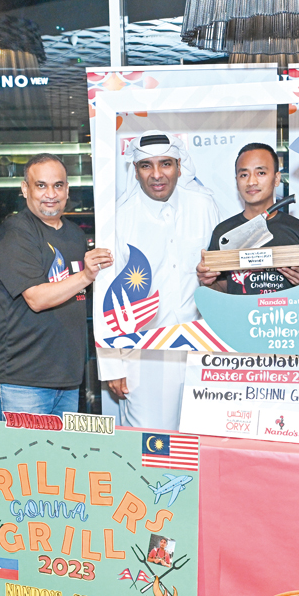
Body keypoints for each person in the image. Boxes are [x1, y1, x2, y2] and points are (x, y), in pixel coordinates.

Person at [101, 131, 220, 429]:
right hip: (145, 353)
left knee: (202, 441)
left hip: (203, 348)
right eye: (146, 166)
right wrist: (112, 364)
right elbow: (106, 292)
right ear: (136, 170)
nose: (157, 175)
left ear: (180, 166)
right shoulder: (118, 217)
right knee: (150, 444)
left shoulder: (203, 206)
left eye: (165, 164)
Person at [0, 154, 113, 418]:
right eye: (41, 185)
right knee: (22, 459)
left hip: (68, 381)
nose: (51, 194)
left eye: (58, 185)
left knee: (58, 460)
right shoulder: (16, 232)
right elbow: (36, 298)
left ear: (67, 189)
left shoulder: (75, 235)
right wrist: (85, 276)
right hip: (23, 382)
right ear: (25, 190)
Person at [197, 142, 299, 294]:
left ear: (276, 179)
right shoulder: (224, 234)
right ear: (236, 181)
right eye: (244, 174)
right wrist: (208, 282)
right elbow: (221, 291)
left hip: (287, 316)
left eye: (261, 173)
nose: (251, 182)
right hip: (240, 317)